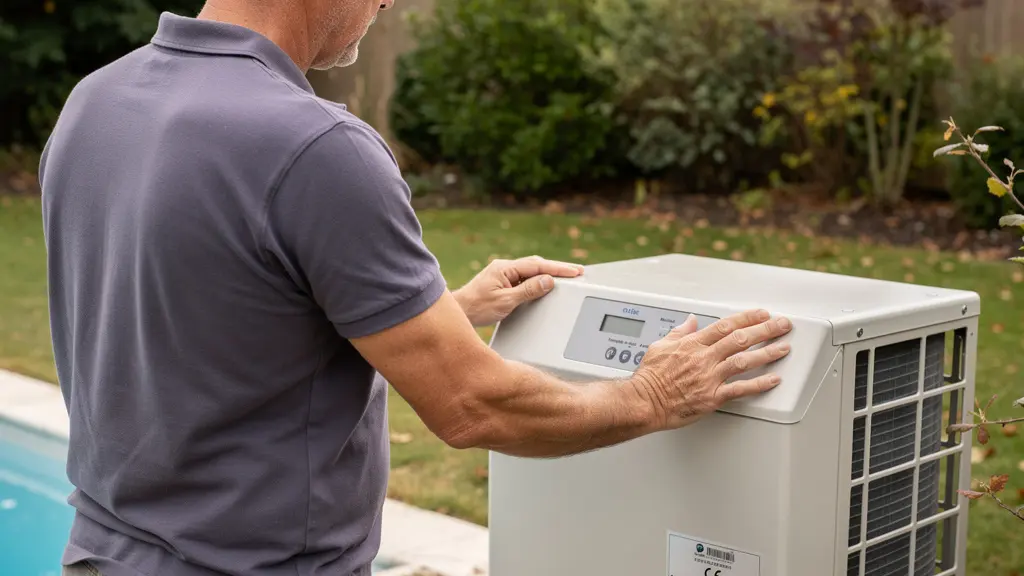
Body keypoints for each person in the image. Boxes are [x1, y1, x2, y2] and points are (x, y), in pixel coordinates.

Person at [38, 1, 794, 575]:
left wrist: (435, 314)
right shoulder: (315, 147)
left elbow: (199, 314)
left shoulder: (98, 102)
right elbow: (472, 406)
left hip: (101, 552)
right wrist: (651, 396)